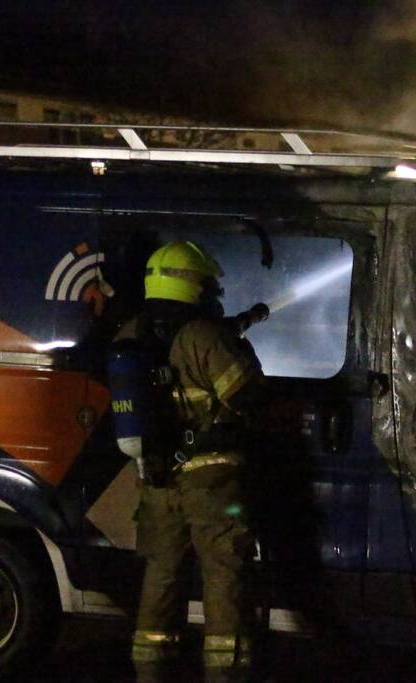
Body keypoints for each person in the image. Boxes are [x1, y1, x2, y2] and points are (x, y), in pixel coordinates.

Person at [115, 241, 266, 682]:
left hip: (158, 478)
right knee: (223, 572)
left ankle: (150, 669)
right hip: (211, 479)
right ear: (193, 286)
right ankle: (225, 672)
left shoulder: (132, 333)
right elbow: (250, 396)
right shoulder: (202, 335)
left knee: (161, 574)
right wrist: (239, 349)